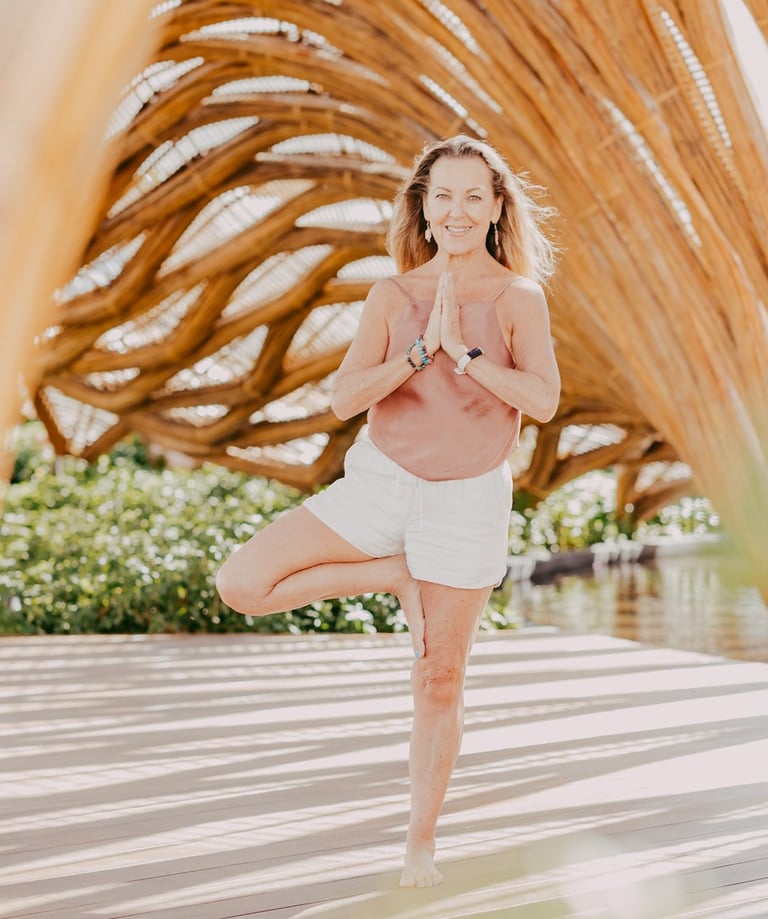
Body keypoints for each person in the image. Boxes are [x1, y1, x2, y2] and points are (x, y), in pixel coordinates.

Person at [216, 134, 561, 888]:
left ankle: (419, 845)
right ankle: (396, 574)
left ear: (496, 209)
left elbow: (542, 399)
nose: (458, 210)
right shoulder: (391, 295)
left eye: (474, 196)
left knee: (439, 678)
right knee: (242, 583)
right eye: (444, 196)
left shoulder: (518, 298)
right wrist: (418, 353)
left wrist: (464, 354)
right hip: (380, 484)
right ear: (424, 208)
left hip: (468, 498)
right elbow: (343, 398)